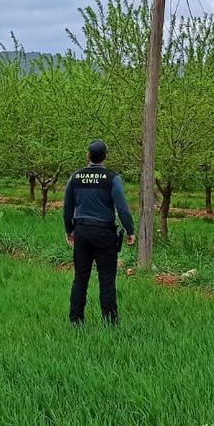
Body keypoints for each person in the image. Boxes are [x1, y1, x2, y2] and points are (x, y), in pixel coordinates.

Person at [64, 139, 135, 325]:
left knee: (80, 278)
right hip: (105, 234)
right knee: (107, 280)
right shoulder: (113, 179)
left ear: (88, 155)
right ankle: (110, 323)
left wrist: (69, 230)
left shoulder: (75, 177)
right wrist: (130, 230)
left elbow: (67, 207)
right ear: (106, 157)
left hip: (82, 232)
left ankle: (75, 321)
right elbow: (123, 208)